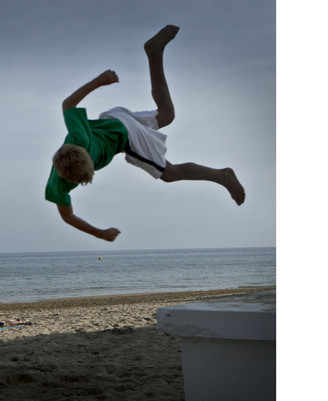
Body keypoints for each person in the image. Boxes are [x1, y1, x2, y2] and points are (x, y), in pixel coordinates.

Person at [45, 25, 245, 242]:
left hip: (126, 138)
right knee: (167, 115)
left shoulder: (79, 143)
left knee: (169, 174)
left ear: (83, 154)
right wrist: (99, 233)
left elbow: (67, 103)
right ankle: (155, 53)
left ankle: (223, 176)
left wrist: (98, 81)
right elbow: (68, 217)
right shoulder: (68, 160)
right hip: (115, 117)